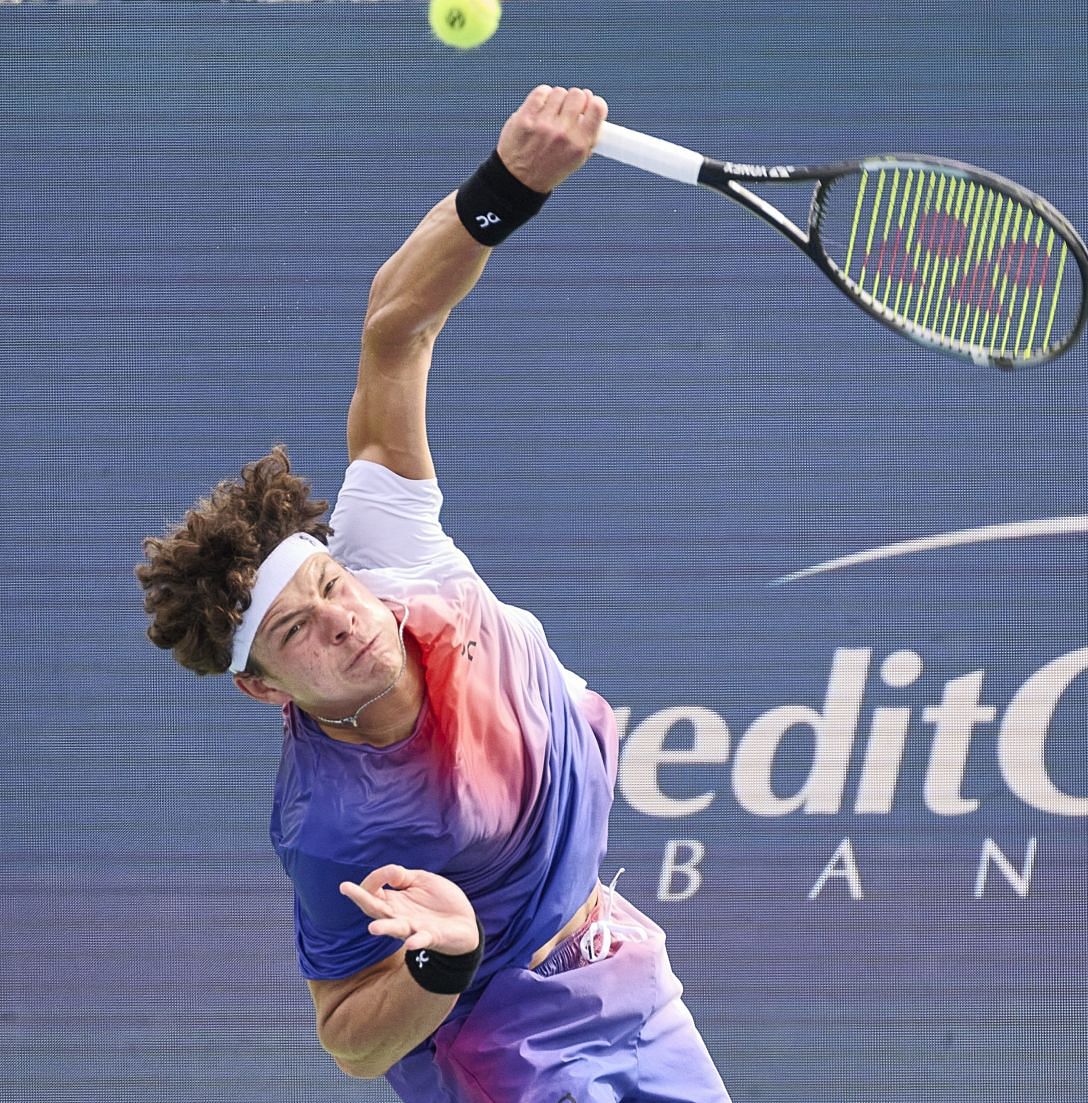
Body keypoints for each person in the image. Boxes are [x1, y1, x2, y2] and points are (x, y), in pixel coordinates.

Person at [135, 85, 731, 1103]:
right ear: (266, 687)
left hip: (617, 969)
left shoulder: (392, 555)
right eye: (297, 630)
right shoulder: (335, 823)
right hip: (507, 1050)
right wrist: (436, 959)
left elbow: (397, 325)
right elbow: (349, 1039)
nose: (342, 617)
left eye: (328, 584)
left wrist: (511, 184)